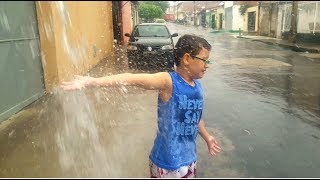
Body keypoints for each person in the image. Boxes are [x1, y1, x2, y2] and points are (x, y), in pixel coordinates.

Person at [61, 34, 222, 178]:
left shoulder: (197, 86)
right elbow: (132, 78)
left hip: (189, 158)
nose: (207, 64)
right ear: (187, 59)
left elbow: (195, 117)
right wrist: (92, 82)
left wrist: (207, 137)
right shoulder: (169, 82)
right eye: (204, 60)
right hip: (168, 164)